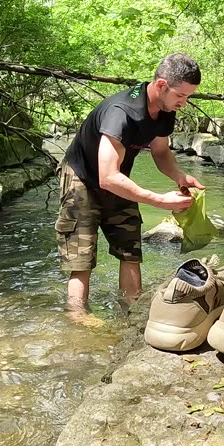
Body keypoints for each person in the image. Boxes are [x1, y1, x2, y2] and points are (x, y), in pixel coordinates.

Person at [56, 53, 206, 317]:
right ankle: (78, 318)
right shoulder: (121, 112)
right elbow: (106, 176)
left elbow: (160, 153)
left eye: (189, 97)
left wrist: (180, 176)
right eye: (181, 95)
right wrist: (158, 200)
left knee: (130, 251)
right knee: (82, 260)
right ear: (161, 85)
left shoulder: (165, 111)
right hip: (81, 179)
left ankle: (132, 311)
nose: (185, 103)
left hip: (118, 179)